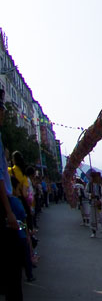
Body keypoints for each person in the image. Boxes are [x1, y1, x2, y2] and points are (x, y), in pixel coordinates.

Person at [1, 88, 25, 301]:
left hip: (14, 206)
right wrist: (8, 211)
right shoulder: (15, 172)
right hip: (10, 208)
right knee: (12, 263)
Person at [87, 170, 102, 239]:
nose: (97, 178)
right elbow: (85, 193)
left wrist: (100, 201)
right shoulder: (89, 185)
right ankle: (94, 232)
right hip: (92, 203)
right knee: (93, 219)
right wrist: (90, 195)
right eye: (96, 177)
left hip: (99, 203)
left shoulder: (100, 185)